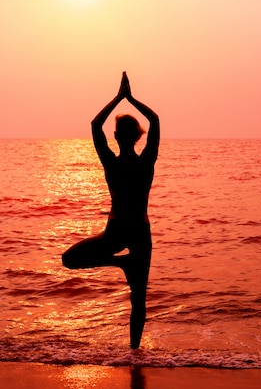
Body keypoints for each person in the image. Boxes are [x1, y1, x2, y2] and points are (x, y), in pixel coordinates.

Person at [62, 72, 160, 349]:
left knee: (69, 259)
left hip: (117, 231)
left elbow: (95, 125)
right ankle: (134, 353)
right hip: (140, 230)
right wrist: (132, 99)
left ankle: (120, 263)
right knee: (138, 298)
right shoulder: (146, 163)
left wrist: (118, 98)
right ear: (139, 138)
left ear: (116, 136)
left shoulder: (111, 163)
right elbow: (155, 121)